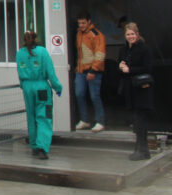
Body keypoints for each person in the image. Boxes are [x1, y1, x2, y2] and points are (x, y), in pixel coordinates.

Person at [16, 30, 63, 160]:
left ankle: (34, 146)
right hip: (41, 87)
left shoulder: (20, 53)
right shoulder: (42, 52)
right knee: (44, 117)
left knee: (31, 117)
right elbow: (51, 73)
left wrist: (24, 86)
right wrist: (58, 88)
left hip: (27, 87)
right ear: (36, 39)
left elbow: (19, 72)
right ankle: (42, 147)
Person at [118, 22, 155, 160]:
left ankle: (143, 150)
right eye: (128, 34)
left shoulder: (144, 49)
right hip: (130, 90)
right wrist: (121, 66)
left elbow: (148, 68)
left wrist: (130, 70)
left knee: (141, 120)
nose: (130, 36)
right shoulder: (124, 50)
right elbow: (122, 67)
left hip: (142, 89)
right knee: (136, 121)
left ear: (137, 34)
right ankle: (140, 149)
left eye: (132, 34)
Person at [74, 11, 106, 132]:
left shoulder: (96, 35)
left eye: (83, 23)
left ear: (89, 22)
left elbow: (100, 54)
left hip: (93, 71)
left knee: (94, 96)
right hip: (81, 70)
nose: (81, 25)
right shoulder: (78, 33)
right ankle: (85, 120)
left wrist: (93, 70)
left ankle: (100, 121)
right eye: (79, 23)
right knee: (79, 94)